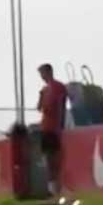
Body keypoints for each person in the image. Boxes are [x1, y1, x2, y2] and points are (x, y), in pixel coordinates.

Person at [36, 63, 70, 198]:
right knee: (48, 158)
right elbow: (39, 108)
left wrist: (60, 126)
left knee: (55, 158)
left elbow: (61, 106)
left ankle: (57, 187)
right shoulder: (45, 89)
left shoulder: (58, 87)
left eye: (42, 74)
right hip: (46, 127)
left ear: (48, 72)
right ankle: (52, 187)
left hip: (54, 127)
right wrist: (41, 96)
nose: (41, 77)